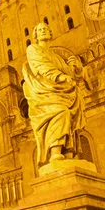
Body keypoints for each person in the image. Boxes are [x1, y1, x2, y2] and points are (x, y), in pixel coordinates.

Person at [22, 22, 85, 164]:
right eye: (39, 30)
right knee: (60, 111)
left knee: (70, 115)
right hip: (45, 93)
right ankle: (55, 151)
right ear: (35, 36)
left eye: (45, 29)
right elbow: (41, 66)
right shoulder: (33, 49)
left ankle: (69, 151)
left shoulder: (56, 56)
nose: (43, 31)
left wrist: (75, 67)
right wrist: (59, 76)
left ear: (50, 33)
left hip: (63, 92)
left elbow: (72, 75)